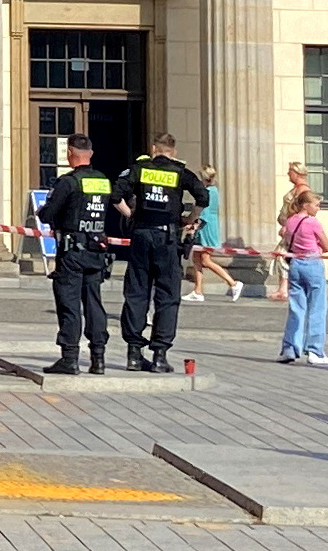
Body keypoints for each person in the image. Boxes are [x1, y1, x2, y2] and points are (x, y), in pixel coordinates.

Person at [117, 134, 213, 373]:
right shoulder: (181, 173)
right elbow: (203, 197)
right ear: (174, 152)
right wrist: (190, 220)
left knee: (137, 293)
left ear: (153, 149)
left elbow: (115, 195)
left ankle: (134, 354)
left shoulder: (139, 169)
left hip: (141, 235)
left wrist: (131, 215)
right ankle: (159, 355)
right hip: (167, 239)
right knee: (167, 296)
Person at [41, 138, 121, 373]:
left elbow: (48, 213)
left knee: (69, 303)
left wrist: (44, 211)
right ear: (91, 153)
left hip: (72, 251)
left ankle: (70, 358)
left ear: (70, 153)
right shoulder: (103, 181)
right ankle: (98, 358)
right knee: (94, 303)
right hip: (97, 250)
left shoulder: (68, 182)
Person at [276, 175, 328, 365]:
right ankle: (315, 350)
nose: (318, 208)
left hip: (296, 264)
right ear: (306, 205)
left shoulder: (291, 221)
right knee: (317, 307)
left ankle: (290, 348)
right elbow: (327, 246)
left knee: (296, 308)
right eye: (316, 205)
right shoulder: (312, 222)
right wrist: (316, 245)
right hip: (312, 263)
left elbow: (285, 237)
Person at [186, 176, 238, 303]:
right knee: (197, 259)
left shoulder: (208, 192)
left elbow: (204, 213)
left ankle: (233, 283)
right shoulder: (214, 191)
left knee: (206, 260)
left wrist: (192, 224)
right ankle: (197, 291)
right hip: (207, 226)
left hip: (205, 229)